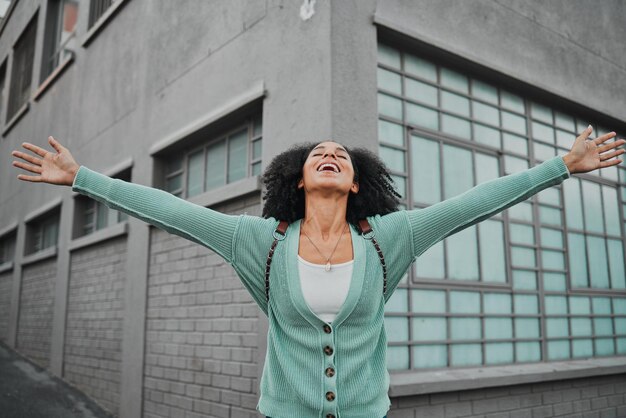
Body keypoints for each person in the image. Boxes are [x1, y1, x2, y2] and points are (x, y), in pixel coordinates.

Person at [10, 127, 625, 418]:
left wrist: (561, 168)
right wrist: (82, 179)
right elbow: (172, 211)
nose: (328, 155)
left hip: (365, 412)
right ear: (297, 179)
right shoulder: (259, 242)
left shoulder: (392, 236)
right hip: (285, 412)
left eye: (340, 157)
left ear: (356, 182)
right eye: (315, 156)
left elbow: (474, 203)